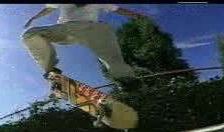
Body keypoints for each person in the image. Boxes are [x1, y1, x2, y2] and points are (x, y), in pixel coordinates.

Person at [21, 4, 149, 90]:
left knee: (104, 29)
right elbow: (49, 8)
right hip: (65, 29)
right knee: (30, 34)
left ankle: (124, 77)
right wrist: (33, 18)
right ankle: (51, 72)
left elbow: (118, 9)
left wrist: (136, 15)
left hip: (89, 28)